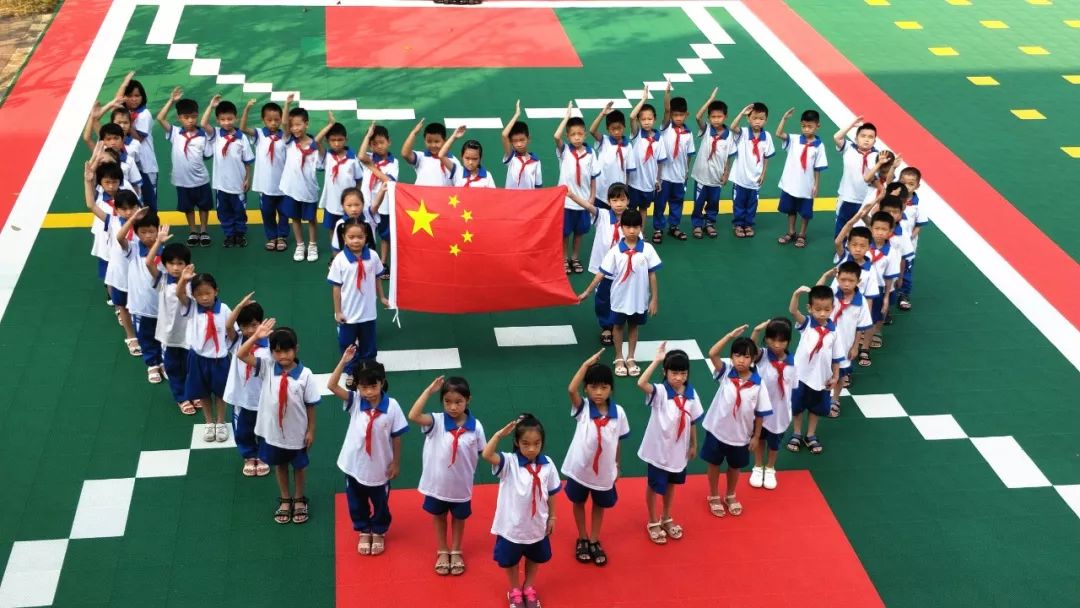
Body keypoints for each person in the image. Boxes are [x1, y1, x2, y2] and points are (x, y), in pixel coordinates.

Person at [241, 320, 320, 525]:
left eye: (287, 351)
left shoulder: (306, 375)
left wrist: (311, 430)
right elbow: (241, 354)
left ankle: (299, 498)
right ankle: (285, 498)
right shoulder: (267, 366)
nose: (282, 356)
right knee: (280, 465)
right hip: (273, 432)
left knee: (299, 467)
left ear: (296, 349)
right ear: (272, 353)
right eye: (277, 351)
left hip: (297, 432)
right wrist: (256, 337)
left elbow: (311, 405)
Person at [326, 355, 408, 555]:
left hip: (380, 467)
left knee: (380, 502)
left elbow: (397, 438)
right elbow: (331, 386)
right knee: (356, 501)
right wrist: (343, 361)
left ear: (382, 383)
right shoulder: (355, 401)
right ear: (357, 387)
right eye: (363, 387)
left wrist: (396, 463)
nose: (369, 392)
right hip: (354, 465)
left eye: (373, 386)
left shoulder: (393, 407)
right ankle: (363, 529)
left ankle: (378, 530)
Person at [407, 376, 487, 576]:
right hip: (437, 486)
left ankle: (457, 550)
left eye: (458, 402)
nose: (453, 407)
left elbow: (481, 451)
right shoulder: (436, 421)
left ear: (468, 400)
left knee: (459, 519)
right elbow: (413, 415)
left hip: (461, 487)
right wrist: (429, 391)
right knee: (439, 517)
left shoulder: (475, 427)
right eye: (447, 402)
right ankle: (443, 550)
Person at [481, 414, 560, 608]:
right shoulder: (509, 463)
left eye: (536, 443)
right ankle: (515, 590)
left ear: (542, 442)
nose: (531, 449)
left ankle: (529, 587)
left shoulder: (547, 464)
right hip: (512, 527)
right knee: (511, 560)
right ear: (517, 442)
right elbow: (486, 455)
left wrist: (552, 516)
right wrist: (499, 435)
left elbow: (552, 492)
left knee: (535, 557)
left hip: (536, 525)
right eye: (525, 443)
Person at [562, 350, 628, 567]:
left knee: (600, 505)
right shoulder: (582, 408)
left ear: (611, 389)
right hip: (580, 469)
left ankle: (594, 539)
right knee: (578, 502)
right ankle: (582, 536)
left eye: (604, 387)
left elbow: (617, 441)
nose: (598, 392)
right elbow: (571, 389)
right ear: (587, 388)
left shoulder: (619, 412)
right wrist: (585, 364)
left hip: (603, 472)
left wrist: (617, 465)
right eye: (593, 387)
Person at [578, 209, 660, 378]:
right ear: (621, 227)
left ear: (640, 227)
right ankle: (619, 357)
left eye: (636, 227)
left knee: (634, 326)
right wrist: (587, 291)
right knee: (618, 326)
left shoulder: (648, 249)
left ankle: (631, 357)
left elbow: (652, 274)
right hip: (619, 298)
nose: (632, 231)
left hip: (639, 298)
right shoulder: (615, 251)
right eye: (628, 227)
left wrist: (654, 299)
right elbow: (601, 273)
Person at [635, 342, 701, 544]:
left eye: (683, 373)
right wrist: (656, 359)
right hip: (658, 451)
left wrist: (693, 444)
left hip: (678, 452)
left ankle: (666, 516)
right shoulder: (660, 392)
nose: (678, 377)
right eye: (674, 373)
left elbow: (693, 421)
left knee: (672, 485)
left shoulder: (691, 394)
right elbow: (641, 383)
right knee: (654, 486)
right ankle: (653, 520)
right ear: (665, 372)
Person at [703, 326, 772, 516]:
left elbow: (760, 413)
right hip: (717, 431)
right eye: (737, 355)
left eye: (746, 356)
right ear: (732, 357)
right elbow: (712, 353)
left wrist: (756, 437)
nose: (741, 360)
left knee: (735, 467)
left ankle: (731, 494)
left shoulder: (759, 384)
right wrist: (729, 336)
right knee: (714, 463)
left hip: (741, 436)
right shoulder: (725, 373)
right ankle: (714, 495)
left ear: (753, 359)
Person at [82, 151, 140, 357]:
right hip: (119, 274)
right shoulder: (112, 221)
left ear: (137, 208)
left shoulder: (143, 225)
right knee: (122, 306)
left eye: (130, 208)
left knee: (140, 306)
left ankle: (145, 335)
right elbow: (90, 204)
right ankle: (131, 337)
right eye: (122, 209)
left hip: (139, 273)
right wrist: (88, 182)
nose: (126, 212)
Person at [177, 267, 236, 442]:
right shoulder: (192, 308)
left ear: (216, 291)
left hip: (219, 360)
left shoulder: (224, 309)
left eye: (207, 293)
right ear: (193, 295)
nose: (204, 297)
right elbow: (180, 294)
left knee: (220, 393)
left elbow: (232, 330)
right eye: (199, 294)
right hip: (198, 358)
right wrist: (183, 279)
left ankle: (220, 422)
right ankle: (209, 422)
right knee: (203, 393)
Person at [787, 285, 845, 454]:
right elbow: (793, 311)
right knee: (797, 406)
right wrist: (796, 293)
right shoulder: (806, 324)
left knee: (816, 408)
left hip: (821, 378)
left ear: (832, 309)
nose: (822, 313)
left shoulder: (834, 332)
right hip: (800, 376)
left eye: (826, 309)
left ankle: (810, 434)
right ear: (810, 308)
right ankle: (796, 432)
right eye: (817, 309)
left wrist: (835, 377)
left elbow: (836, 357)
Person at [328, 217, 389, 372]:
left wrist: (382, 297)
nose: (356, 241)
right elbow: (336, 288)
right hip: (348, 314)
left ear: (366, 237)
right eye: (351, 237)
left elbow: (377, 279)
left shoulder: (373, 257)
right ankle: (351, 370)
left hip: (368, 313)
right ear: (344, 238)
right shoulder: (340, 260)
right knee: (347, 343)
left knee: (369, 344)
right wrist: (338, 311)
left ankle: (368, 369)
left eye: (360, 237)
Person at [156, 87, 213, 246]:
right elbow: (160, 118)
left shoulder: (203, 136)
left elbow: (207, 155)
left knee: (204, 206)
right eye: (186, 117)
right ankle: (193, 230)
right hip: (181, 180)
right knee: (188, 208)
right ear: (179, 117)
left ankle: (203, 230)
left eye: (194, 117)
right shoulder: (175, 132)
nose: (190, 120)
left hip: (200, 179)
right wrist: (171, 101)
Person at [222, 296, 272, 477]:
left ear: (262, 323)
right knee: (243, 429)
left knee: (266, 428)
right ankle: (250, 456)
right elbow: (228, 326)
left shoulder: (270, 345)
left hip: (264, 397)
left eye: (254, 325)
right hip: (241, 397)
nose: (250, 330)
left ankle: (264, 455)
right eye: (245, 326)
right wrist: (239, 305)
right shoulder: (237, 340)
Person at [577, 183, 630, 346]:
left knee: (620, 296)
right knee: (602, 298)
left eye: (622, 200)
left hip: (622, 269)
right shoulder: (603, 216)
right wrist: (572, 196)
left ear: (628, 200)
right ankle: (606, 326)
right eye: (614, 200)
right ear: (608, 202)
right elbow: (588, 206)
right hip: (603, 268)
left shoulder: (631, 220)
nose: (619, 204)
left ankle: (618, 323)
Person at [147, 230, 194, 414]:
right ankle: (182, 397)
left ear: (187, 264)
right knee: (174, 367)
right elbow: (148, 262)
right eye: (171, 263)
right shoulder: (162, 280)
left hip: (189, 333)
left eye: (180, 263)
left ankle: (194, 392)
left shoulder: (194, 282)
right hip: (169, 335)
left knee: (190, 366)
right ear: (165, 265)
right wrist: (158, 242)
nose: (175, 267)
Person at [117, 207, 165, 385]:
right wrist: (132, 219)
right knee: (146, 335)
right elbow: (119, 237)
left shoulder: (166, 253)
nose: (147, 236)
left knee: (163, 335)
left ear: (158, 231)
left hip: (162, 305)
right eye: (143, 232)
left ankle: (163, 361)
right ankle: (152, 364)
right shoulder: (133, 250)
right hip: (141, 305)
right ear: (136, 233)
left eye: (151, 231)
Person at [239, 96, 293, 252]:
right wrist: (247, 108)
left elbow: (285, 124)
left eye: (277, 120)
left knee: (284, 213)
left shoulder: (285, 136)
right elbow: (242, 128)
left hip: (283, 184)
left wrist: (287, 104)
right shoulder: (259, 135)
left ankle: (282, 236)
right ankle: (271, 236)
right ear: (264, 120)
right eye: (270, 120)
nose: (274, 123)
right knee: (267, 212)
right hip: (265, 185)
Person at [817, 263, 872, 411]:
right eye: (843, 280)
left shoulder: (861, 303)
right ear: (837, 278)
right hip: (824, 343)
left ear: (858, 281)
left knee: (840, 375)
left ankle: (835, 400)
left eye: (851, 281)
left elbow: (860, 327)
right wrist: (825, 276)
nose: (846, 284)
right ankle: (822, 397)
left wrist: (855, 347)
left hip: (844, 345)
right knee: (822, 371)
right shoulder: (832, 294)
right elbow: (816, 294)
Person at [201, 96, 254, 247]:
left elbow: (247, 161)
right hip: (221, 184)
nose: (226, 122)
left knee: (239, 210)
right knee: (223, 211)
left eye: (230, 119)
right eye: (223, 119)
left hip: (238, 183)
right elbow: (203, 123)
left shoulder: (241, 137)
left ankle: (240, 233)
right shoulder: (216, 134)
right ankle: (229, 234)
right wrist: (211, 106)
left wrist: (247, 179)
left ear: (235, 118)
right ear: (218, 120)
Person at [749, 318, 795, 489]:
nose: (776, 344)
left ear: (788, 341)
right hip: (761, 409)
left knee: (774, 442)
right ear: (767, 339)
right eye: (772, 339)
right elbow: (750, 349)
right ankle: (758, 466)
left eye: (781, 340)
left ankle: (770, 468)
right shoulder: (761, 356)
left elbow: (793, 389)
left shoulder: (792, 364)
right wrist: (756, 331)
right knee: (759, 437)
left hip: (780, 411)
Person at [554, 102, 599, 274]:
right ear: (568, 136)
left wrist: (592, 197)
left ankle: (575, 257)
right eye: (573, 134)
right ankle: (564, 258)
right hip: (566, 202)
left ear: (585, 134)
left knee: (579, 232)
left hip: (583, 201)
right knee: (565, 233)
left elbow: (593, 177)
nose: (577, 137)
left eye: (580, 134)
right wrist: (567, 117)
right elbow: (556, 137)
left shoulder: (590, 154)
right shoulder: (564, 151)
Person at [775, 108, 828, 248]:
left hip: (807, 185)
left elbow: (818, 167)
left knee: (805, 212)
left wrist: (816, 184)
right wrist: (784, 118)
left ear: (818, 126)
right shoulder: (793, 139)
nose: (806, 129)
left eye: (810, 126)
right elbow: (778, 133)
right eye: (803, 126)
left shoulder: (819, 146)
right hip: (791, 183)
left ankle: (802, 234)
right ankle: (791, 232)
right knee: (791, 209)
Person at [280, 106, 324, 262]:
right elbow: (284, 123)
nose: (294, 128)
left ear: (306, 124)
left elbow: (321, 163)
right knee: (295, 218)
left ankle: (312, 245)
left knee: (311, 219)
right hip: (292, 189)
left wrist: (329, 127)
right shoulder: (289, 141)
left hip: (309, 190)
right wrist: (287, 103)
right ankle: (300, 245)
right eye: (292, 126)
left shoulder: (314, 146)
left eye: (298, 124)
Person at [689, 89, 734, 239]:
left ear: (725, 116)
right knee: (698, 201)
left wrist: (726, 173)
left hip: (716, 177)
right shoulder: (707, 129)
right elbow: (697, 116)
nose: (716, 120)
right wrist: (710, 99)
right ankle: (697, 224)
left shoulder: (730, 136)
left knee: (714, 202)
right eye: (713, 117)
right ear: (709, 117)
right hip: (702, 176)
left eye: (719, 116)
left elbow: (729, 157)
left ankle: (709, 223)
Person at [654, 85, 695, 243]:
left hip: (679, 176)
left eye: (681, 115)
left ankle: (674, 227)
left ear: (686, 115)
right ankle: (658, 228)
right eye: (675, 115)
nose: (678, 118)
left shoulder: (688, 134)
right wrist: (667, 93)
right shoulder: (666, 128)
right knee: (660, 203)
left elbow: (689, 154)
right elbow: (665, 110)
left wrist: (686, 172)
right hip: (663, 176)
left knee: (677, 202)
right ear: (670, 115)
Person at [358, 123, 399, 279]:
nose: (379, 146)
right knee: (366, 233)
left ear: (389, 142)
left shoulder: (393, 163)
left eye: (382, 142)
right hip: (367, 204)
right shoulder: (367, 157)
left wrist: (372, 167)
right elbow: (361, 156)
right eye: (374, 143)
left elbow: (389, 181)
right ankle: (367, 261)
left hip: (384, 206)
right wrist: (368, 135)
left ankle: (382, 263)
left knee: (385, 236)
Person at [728, 102, 775, 238]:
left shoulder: (767, 137)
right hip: (740, 178)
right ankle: (738, 225)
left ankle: (748, 225)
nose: (757, 121)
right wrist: (742, 112)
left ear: (766, 120)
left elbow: (767, 157)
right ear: (749, 119)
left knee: (752, 204)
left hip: (755, 179)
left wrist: (763, 174)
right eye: (754, 118)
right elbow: (732, 127)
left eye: (761, 119)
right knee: (739, 203)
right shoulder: (742, 133)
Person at [317, 116, 363, 242]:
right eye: (333, 140)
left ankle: (348, 254)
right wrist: (329, 125)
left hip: (349, 205)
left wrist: (356, 198)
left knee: (350, 230)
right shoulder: (327, 156)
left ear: (346, 140)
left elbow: (359, 180)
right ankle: (335, 256)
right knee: (332, 229)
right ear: (327, 141)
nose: (336, 143)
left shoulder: (353, 159)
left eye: (340, 140)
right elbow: (316, 141)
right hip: (332, 202)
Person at [832, 115, 878, 236]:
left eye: (870, 137)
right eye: (863, 136)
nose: (866, 139)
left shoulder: (878, 157)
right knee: (841, 227)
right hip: (846, 196)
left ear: (875, 141)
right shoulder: (848, 147)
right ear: (856, 139)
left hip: (867, 200)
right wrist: (852, 125)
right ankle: (840, 253)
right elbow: (836, 137)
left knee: (861, 232)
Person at [627, 85, 668, 215]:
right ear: (639, 121)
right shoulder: (636, 135)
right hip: (634, 183)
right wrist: (644, 99)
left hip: (649, 183)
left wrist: (659, 180)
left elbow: (660, 162)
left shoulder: (659, 139)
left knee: (644, 210)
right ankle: (629, 234)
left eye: (649, 119)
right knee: (631, 210)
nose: (646, 122)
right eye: (643, 119)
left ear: (654, 119)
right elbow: (631, 116)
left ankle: (641, 233)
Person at [121, 74, 160, 210]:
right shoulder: (123, 113)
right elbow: (117, 101)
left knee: (149, 201)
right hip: (129, 164)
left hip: (146, 164)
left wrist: (127, 123)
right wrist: (124, 84)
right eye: (130, 96)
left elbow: (139, 138)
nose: (134, 99)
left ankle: (152, 229)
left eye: (137, 96)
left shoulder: (144, 114)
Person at [588, 102, 636, 210]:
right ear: (607, 129)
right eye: (612, 129)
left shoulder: (628, 146)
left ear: (624, 127)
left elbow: (628, 171)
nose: (616, 131)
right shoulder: (604, 141)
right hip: (601, 192)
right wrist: (602, 114)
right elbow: (592, 130)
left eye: (619, 128)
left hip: (618, 194)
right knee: (601, 221)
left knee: (617, 221)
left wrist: (626, 190)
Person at [896, 166, 927, 309]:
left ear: (917, 186)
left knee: (906, 270)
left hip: (908, 246)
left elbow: (919, 225)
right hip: (892, 243)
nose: (906, 187)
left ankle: (903, 294)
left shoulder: (918, 206)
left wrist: (909, 238)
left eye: (911, 184)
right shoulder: (893, 200)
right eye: (903, 183)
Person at [501, 101, 542, 189]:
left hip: (529, 201)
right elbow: (504, 135)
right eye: (515, 141)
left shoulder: (536, 161)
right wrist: (516, 115)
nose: (519, 144)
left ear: (528, 139)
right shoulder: (511, 157)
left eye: (522, 140)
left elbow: (538, 186)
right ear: (511, 142)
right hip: (511, 200)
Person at [402, 119, 452, 186]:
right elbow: (405, 154)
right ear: (425, 141)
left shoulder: (453, 161)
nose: (433, 145)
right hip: (421, 196)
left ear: (445, 141)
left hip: (443, 196)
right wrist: (414, 133)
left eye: (437, 141)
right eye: (429, 141)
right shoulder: (421, 157)